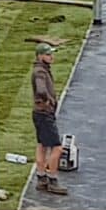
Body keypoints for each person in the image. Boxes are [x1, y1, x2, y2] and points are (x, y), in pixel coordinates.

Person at [31, 41, 67, 196]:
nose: (51, 57)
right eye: (48, 54)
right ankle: (52, 179)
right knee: (57, 147)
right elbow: (41, 89)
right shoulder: (40, 72)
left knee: (42, 145)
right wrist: (48, 101)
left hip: (38, 114)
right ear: (40, 56)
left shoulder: (40, 69)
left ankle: (41, 178)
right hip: (45, 114)